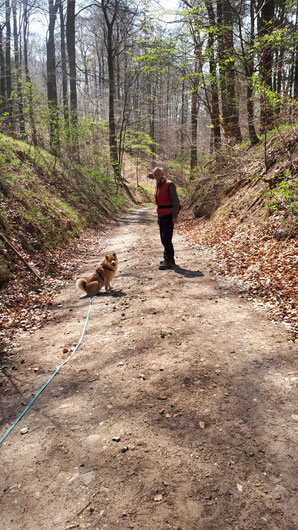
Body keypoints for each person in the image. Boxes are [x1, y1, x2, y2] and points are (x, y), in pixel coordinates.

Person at [152, 167, 180, 270]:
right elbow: (159, 204)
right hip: (161, 215)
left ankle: (168, 260)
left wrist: (174, 216)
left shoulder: (169, 184)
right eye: (155, 175)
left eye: (158, 174)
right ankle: (169, 258)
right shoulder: (158, 185)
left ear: (162, 173)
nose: (156, 177)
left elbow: (176, 202)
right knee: (163, 239)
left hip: (169, 215)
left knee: (166, 239)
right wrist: (159, 217)